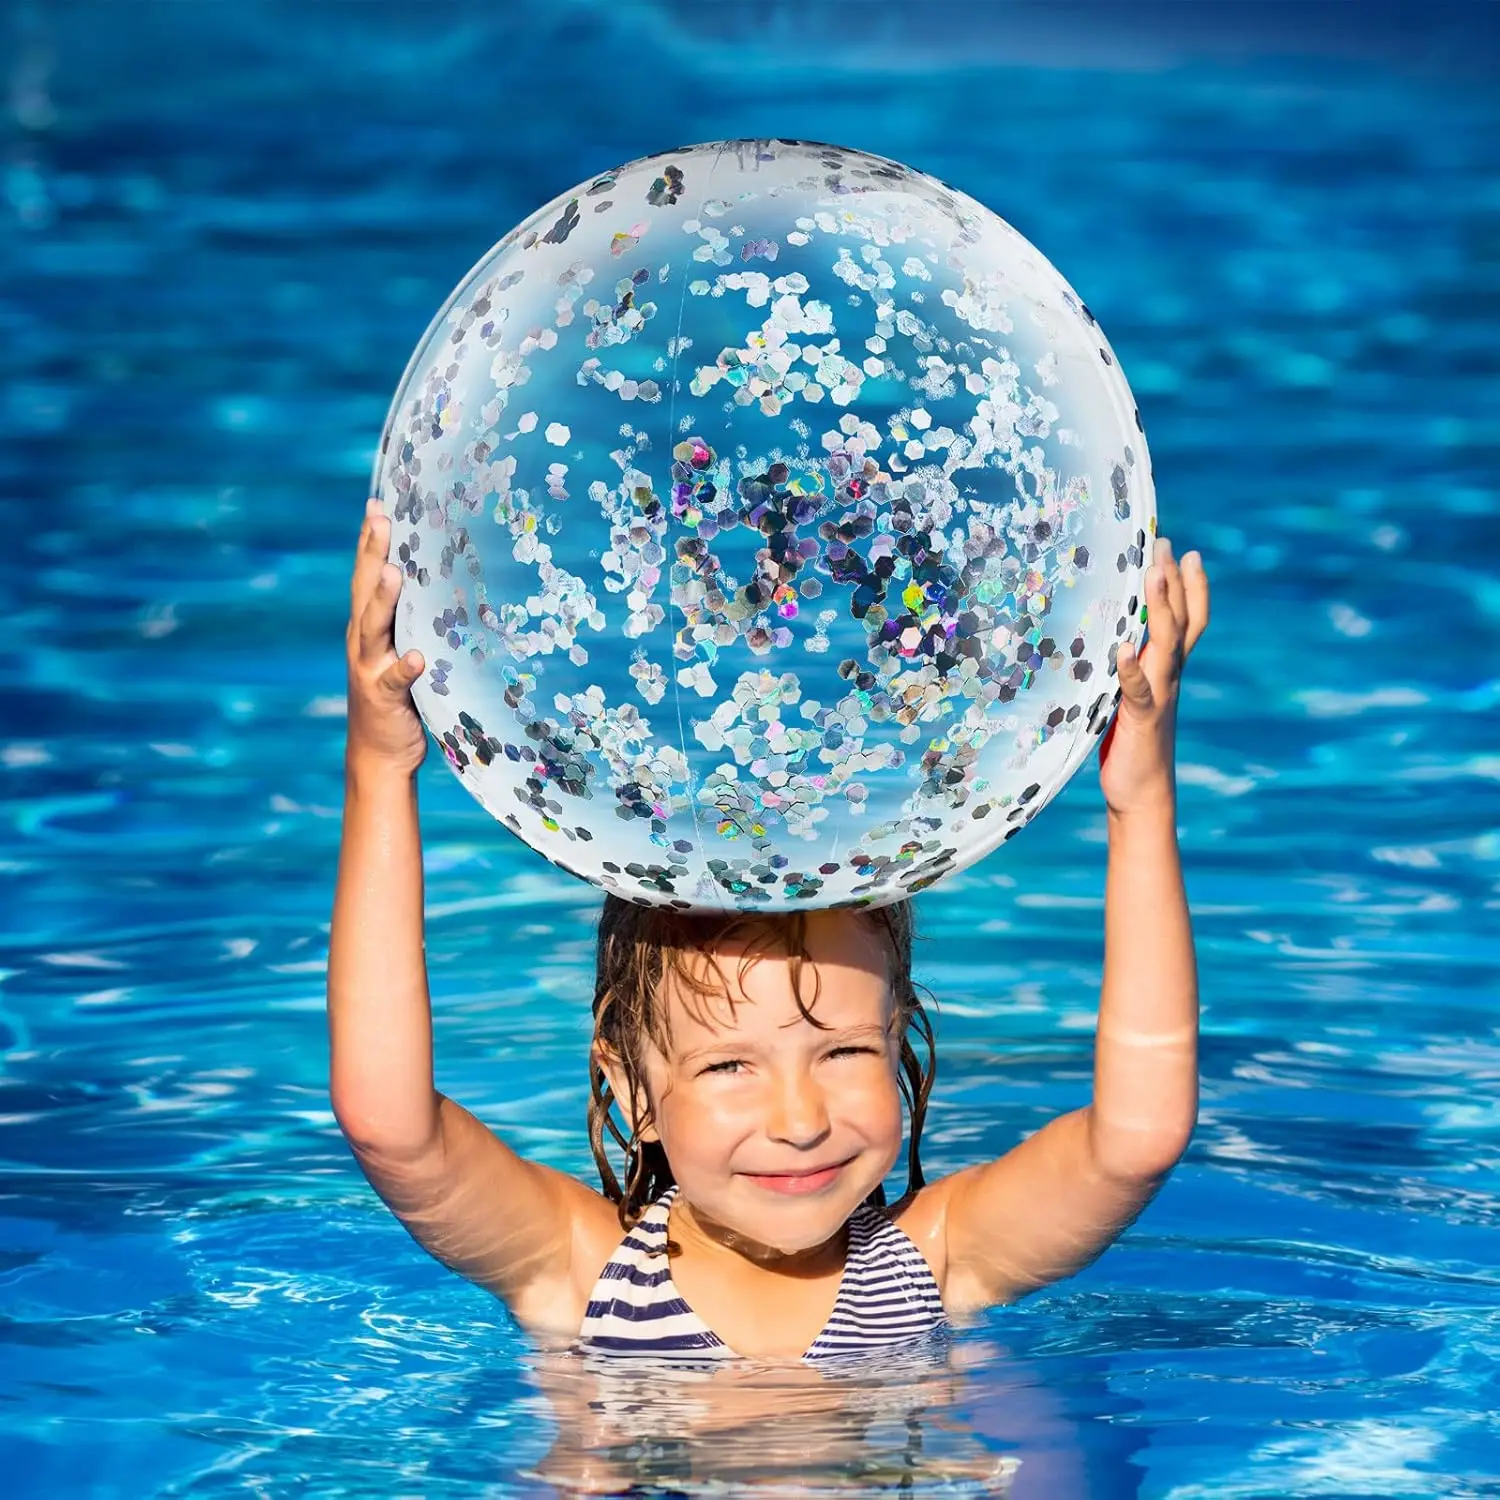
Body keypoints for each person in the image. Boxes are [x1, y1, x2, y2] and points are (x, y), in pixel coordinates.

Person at [329, 496, 1210, 1364]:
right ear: (632, 1089)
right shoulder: (579, 1270)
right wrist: (379, 762)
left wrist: (1140, 802)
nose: (799, 1121)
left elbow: (1135, 1142)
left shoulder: (938, 1263)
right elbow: (389, 1126)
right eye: (729, 1065)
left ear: (900, 1041)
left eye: (844, 1054)